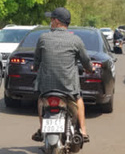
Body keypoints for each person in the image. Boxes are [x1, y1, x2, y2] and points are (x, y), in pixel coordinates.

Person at [31, 7, 94, 143]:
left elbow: (36, 61)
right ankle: (83, 131)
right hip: (68, 87)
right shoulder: (76, 40)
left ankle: (42, 128)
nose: (50, 22)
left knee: (41, 101)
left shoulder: (43, 38)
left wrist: (34, 67)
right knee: (79, 99)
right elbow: (86, 61)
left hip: (46, 87)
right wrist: (90, 69)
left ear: (57, 21)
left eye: (52, 19)